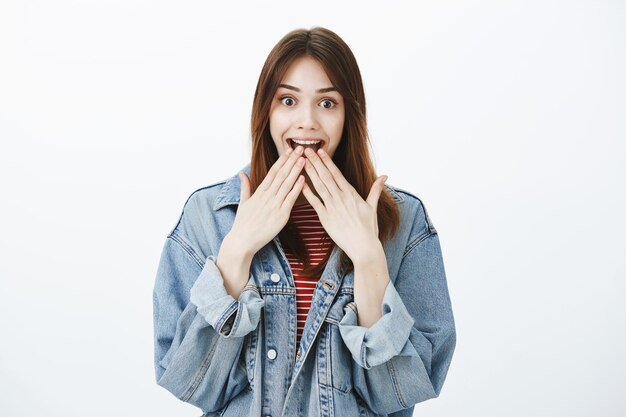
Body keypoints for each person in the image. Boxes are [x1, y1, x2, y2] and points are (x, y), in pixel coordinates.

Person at [152, 27, 456, 417]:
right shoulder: (207, 215)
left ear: (350, 115)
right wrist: (235, 253)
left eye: (327, 103)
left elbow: (402, 392)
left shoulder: (405, 221)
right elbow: (189, 382)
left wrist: (368, 259)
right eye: (288, 100)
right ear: (266, 111)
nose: (307, 121)